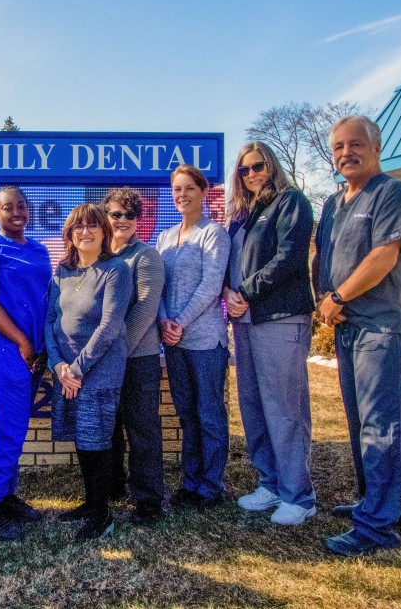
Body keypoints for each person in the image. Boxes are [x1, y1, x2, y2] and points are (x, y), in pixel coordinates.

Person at [314, 115, 401, 557]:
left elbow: (383, 256)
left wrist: (337, 295)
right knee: (361, 423)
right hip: (348, 326)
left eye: (355, 144)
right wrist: (324, 299)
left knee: (383, 424)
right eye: (338, 147)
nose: (345, 153)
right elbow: (320, 252)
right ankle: (377, 502)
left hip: (383, 327)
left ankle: (377, 527)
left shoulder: (394, 193)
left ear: (376, 147)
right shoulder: (333, 202)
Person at [224, 143, 317, 526]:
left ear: (271, 166)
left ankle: (299, 495)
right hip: (244, 321)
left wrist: (245, 293)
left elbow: (290, 257)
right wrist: (229, 295)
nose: (252, 175)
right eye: (244, 170)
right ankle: (271, 484)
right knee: (254, 405)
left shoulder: (290, 202)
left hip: (279, 317)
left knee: (284, 408)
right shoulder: (244, 214)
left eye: (258, 166)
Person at [0, 185, 52, 541]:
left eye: (21, 205)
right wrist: (22, 342)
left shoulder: (39, 249)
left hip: (34, 350)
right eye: (7, 207)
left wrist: (41, 345)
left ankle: (7, 495)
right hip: (7, 347)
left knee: (16, 425)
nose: (16, 211)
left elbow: (46, 298)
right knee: (11, 427)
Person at [46, 204, 133, 540]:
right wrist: (58, 366)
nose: (85, 232)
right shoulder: (62, 272)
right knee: (82, 439)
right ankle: (91, 502)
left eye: (93, 226)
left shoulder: (116, 270)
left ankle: (101, 512)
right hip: (67, 371)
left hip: (98, 371)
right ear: (70, 233)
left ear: (104, 232)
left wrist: (77, 370)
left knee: (96, 439)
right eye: (78, 227)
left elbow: (110, 325)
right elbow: (50, 321)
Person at [156, 164, 231, 511]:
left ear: (204, 192)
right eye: (176, 189)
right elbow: (156, 286)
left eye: (189, 188)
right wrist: (164, 322)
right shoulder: (165, 238)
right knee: (187, 414)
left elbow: (211, 286)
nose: (182, 195)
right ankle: (190, 482)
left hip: (204, 341)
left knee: (210, 414)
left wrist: (180, 321)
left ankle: (211, 486)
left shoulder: (213, 234)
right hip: (173, 341)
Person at [102, 188, 167, 524]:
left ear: (139, 219)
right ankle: (113, 487)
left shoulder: (146, 256)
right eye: (116, 214)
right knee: (109, 427)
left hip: (136, 357)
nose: (123, 220)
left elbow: (145, 309)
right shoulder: (98, 256)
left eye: (130, 215)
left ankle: (149, 499)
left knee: (142, 428)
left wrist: (115, 351)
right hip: (105, 360)